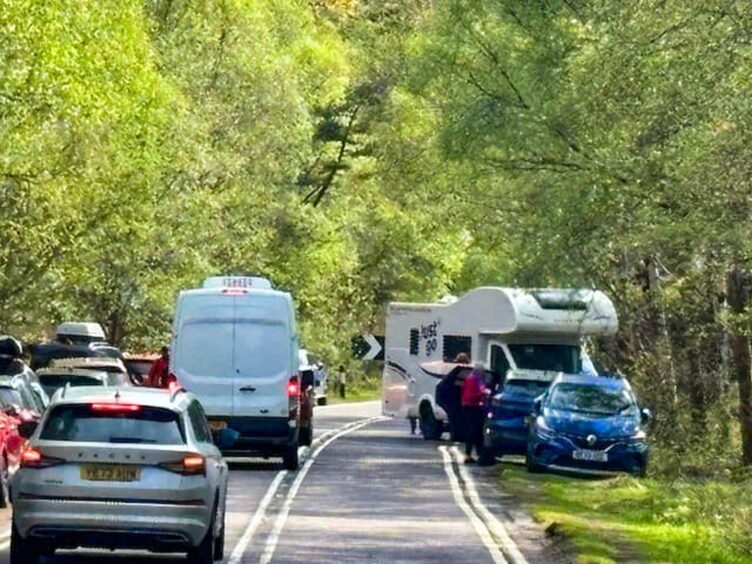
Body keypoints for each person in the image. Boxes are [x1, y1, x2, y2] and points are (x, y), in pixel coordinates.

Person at [461, 362, 490, 464]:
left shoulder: (477, 379)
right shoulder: (472, 379)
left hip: (476, 406)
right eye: (482, 372)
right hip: (470, 407)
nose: (483, 374)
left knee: (477, 431)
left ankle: (478, 454)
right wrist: (483, 393)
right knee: (473, 431)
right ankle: (469, 454)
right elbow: (470, 396)